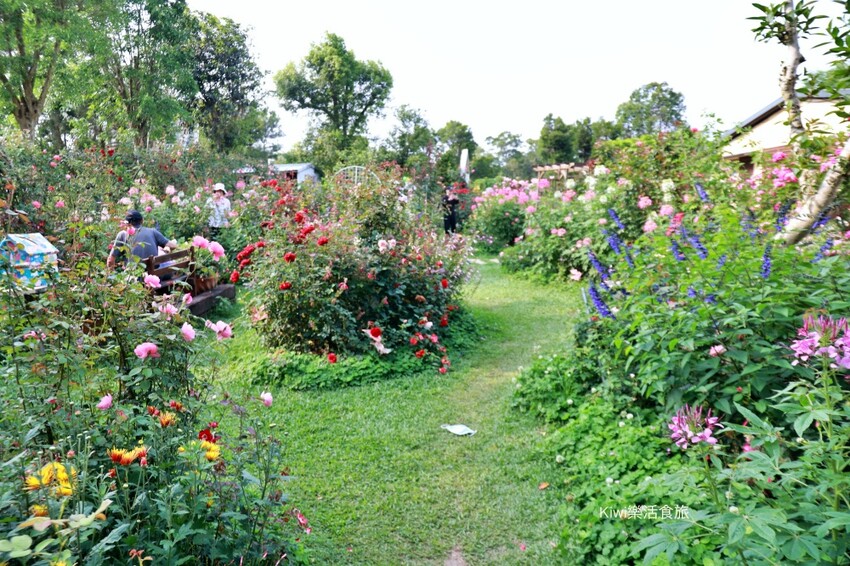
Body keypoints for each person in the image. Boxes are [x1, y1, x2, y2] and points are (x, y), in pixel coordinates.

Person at [107, 210, 177, 269]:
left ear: (127, 223)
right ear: (142, 220)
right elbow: (173, 246)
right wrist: (166, 248)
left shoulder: (122, 234)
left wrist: (111, 275)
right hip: (155, 276)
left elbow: (110, 260)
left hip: (133, 278)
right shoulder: (152, 231)